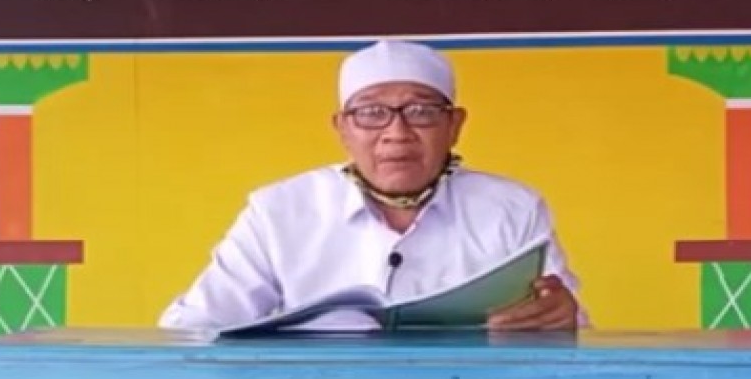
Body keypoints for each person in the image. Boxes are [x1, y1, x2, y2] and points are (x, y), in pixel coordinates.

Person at [159, 39, 588, 332]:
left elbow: (571, 331)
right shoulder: (278, 211)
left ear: (454, 126)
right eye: (371, 114)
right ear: (342, 129)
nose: (396, 133)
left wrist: (559, 321)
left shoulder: (512, 208)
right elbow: (191, 330)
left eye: (421, 112)